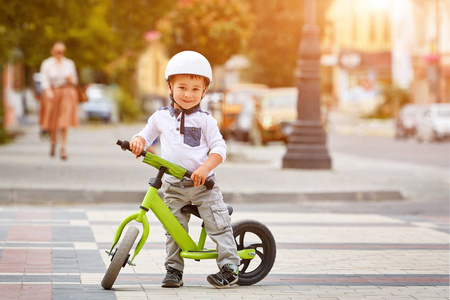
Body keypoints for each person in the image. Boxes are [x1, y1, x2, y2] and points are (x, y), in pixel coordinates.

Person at [130, 51, 240, 289]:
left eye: (195, 89)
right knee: (173, 229)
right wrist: (138, 141)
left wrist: (205, 167)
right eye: (182, 87)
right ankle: (173, 270)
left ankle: (230, 267)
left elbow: (220, 148)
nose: (188, 94)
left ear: (204, 92)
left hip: (203, 187)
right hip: (173, 186)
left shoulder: (205, 120)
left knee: (218, 226)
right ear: (169, 87)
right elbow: (145, 134)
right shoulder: (161, 117)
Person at [39, 41, 79, 160]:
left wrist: (70, 80)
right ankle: (53, 142)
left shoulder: (69, 63)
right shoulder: (47, 64)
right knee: (52, 122)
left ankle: (63, 148)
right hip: (52, 93)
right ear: (52, 51)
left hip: (66, 93)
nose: (59, 53)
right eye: (57, 51)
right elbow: (44, 80)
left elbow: (75, 81)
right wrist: (48, 91)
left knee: (64, 122)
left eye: (61, 51)